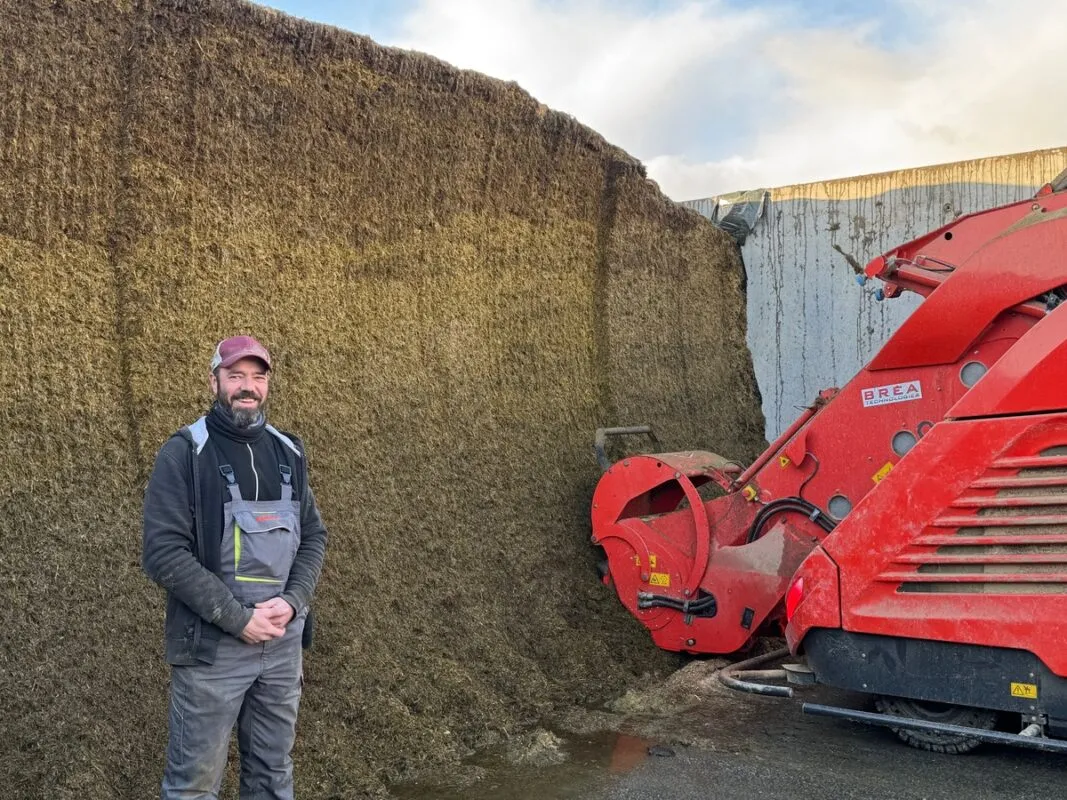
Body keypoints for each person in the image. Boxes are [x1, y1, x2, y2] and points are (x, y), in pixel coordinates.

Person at [142, 335, 328, 800]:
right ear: (214, 381)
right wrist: (238, 619)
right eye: (236, 375)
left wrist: (293, 601)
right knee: (194, 786)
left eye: (257, 377)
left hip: (282, 646)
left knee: (272, 776)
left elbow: (313, 536)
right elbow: (163, 553)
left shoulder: (289, 452)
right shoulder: (185, 453)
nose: (248, 387)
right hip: (214, 650)